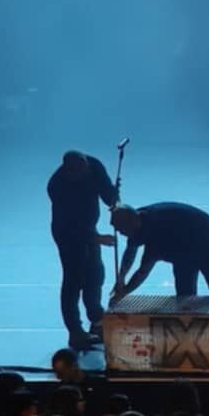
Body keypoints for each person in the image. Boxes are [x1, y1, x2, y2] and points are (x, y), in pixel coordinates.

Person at [47, 150, 119, 350]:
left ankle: (96, 320)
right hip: (68, 236)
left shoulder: (93, 166)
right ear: (69, 172)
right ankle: (75, 332)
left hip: (89, 228)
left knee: (95, 275)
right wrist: (97, 238)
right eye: (80, 173)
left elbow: (106, 193)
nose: (86, 175)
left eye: (86, 170)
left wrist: (113, 197)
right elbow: (70, 226)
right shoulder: (57, 186)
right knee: (74, 280)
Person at [110, 202, 209, 300]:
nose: (120, 234)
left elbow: (142, 271)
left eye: (121, 230)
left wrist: (124, 293)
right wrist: (121, 278)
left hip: (207, 237)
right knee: (184, 292)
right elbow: (130, 251)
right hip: (181, 244)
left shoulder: (156, 236)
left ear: (130, 224)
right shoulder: (137, 218)